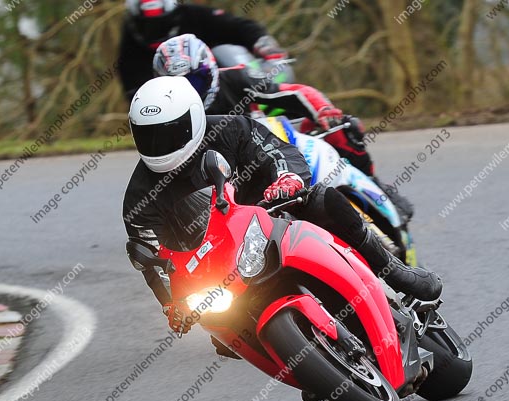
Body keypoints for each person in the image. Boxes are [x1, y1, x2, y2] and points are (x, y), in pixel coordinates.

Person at [122, 76, 441, 334]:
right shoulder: (139, 199)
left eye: (169, 134)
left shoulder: (230, 128)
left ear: (194, 118)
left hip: (276, 214)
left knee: (325, 200)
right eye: (148, 136)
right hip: (221, 267)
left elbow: (277, 151)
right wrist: (171, 303)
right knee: (221, 331)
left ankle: (394, 271)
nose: (158, 146)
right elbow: (153, 260)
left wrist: (287, 178)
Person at [151, 34, 415, 220]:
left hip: (269, 149)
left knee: (345, 128)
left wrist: (325, 112)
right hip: (223, 181)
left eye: (196, 80)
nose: (191, 91)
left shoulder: (236, 77)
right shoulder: (164, 114)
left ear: (211, 70)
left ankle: (380, 189)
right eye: (177, 85)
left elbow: (293, 93)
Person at [119, 0, 286, 101]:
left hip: (223, 88)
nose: (154, 31)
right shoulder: (130, 44)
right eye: (146, 25)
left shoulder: (195, 15)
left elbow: (238, 26)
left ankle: (261, 90)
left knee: (224, 51)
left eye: (160, 23)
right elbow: (134, 88)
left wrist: (264, 44)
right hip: (176, 105)